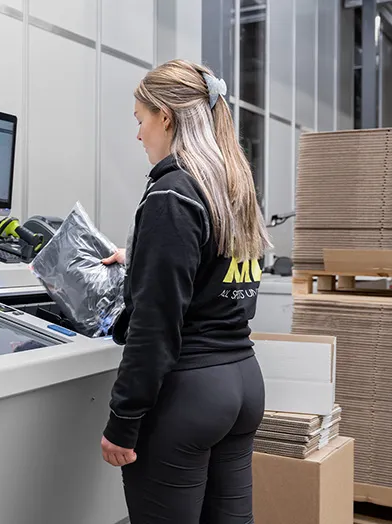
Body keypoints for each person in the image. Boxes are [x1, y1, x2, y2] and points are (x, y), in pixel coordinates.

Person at [100, 59, 270, 524]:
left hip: (188, 395)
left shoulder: (171, 193)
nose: (139, 136)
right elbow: (211, 272)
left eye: (140, 120)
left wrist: (123, 423)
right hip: (241, 385)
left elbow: (154, 330)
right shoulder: (232, 188)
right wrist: (140, 261)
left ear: (166, 117)